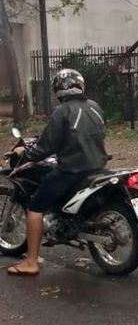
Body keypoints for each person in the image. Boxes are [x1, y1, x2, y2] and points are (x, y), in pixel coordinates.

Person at [7, 69, 108, 276]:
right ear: (81, 85)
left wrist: (25, 153)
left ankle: (31, 262)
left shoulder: (62, 111)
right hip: (97, 168)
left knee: (35, 207)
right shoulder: (94, 107)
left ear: (58, 90)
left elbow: (44, 148)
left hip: (72, 170)